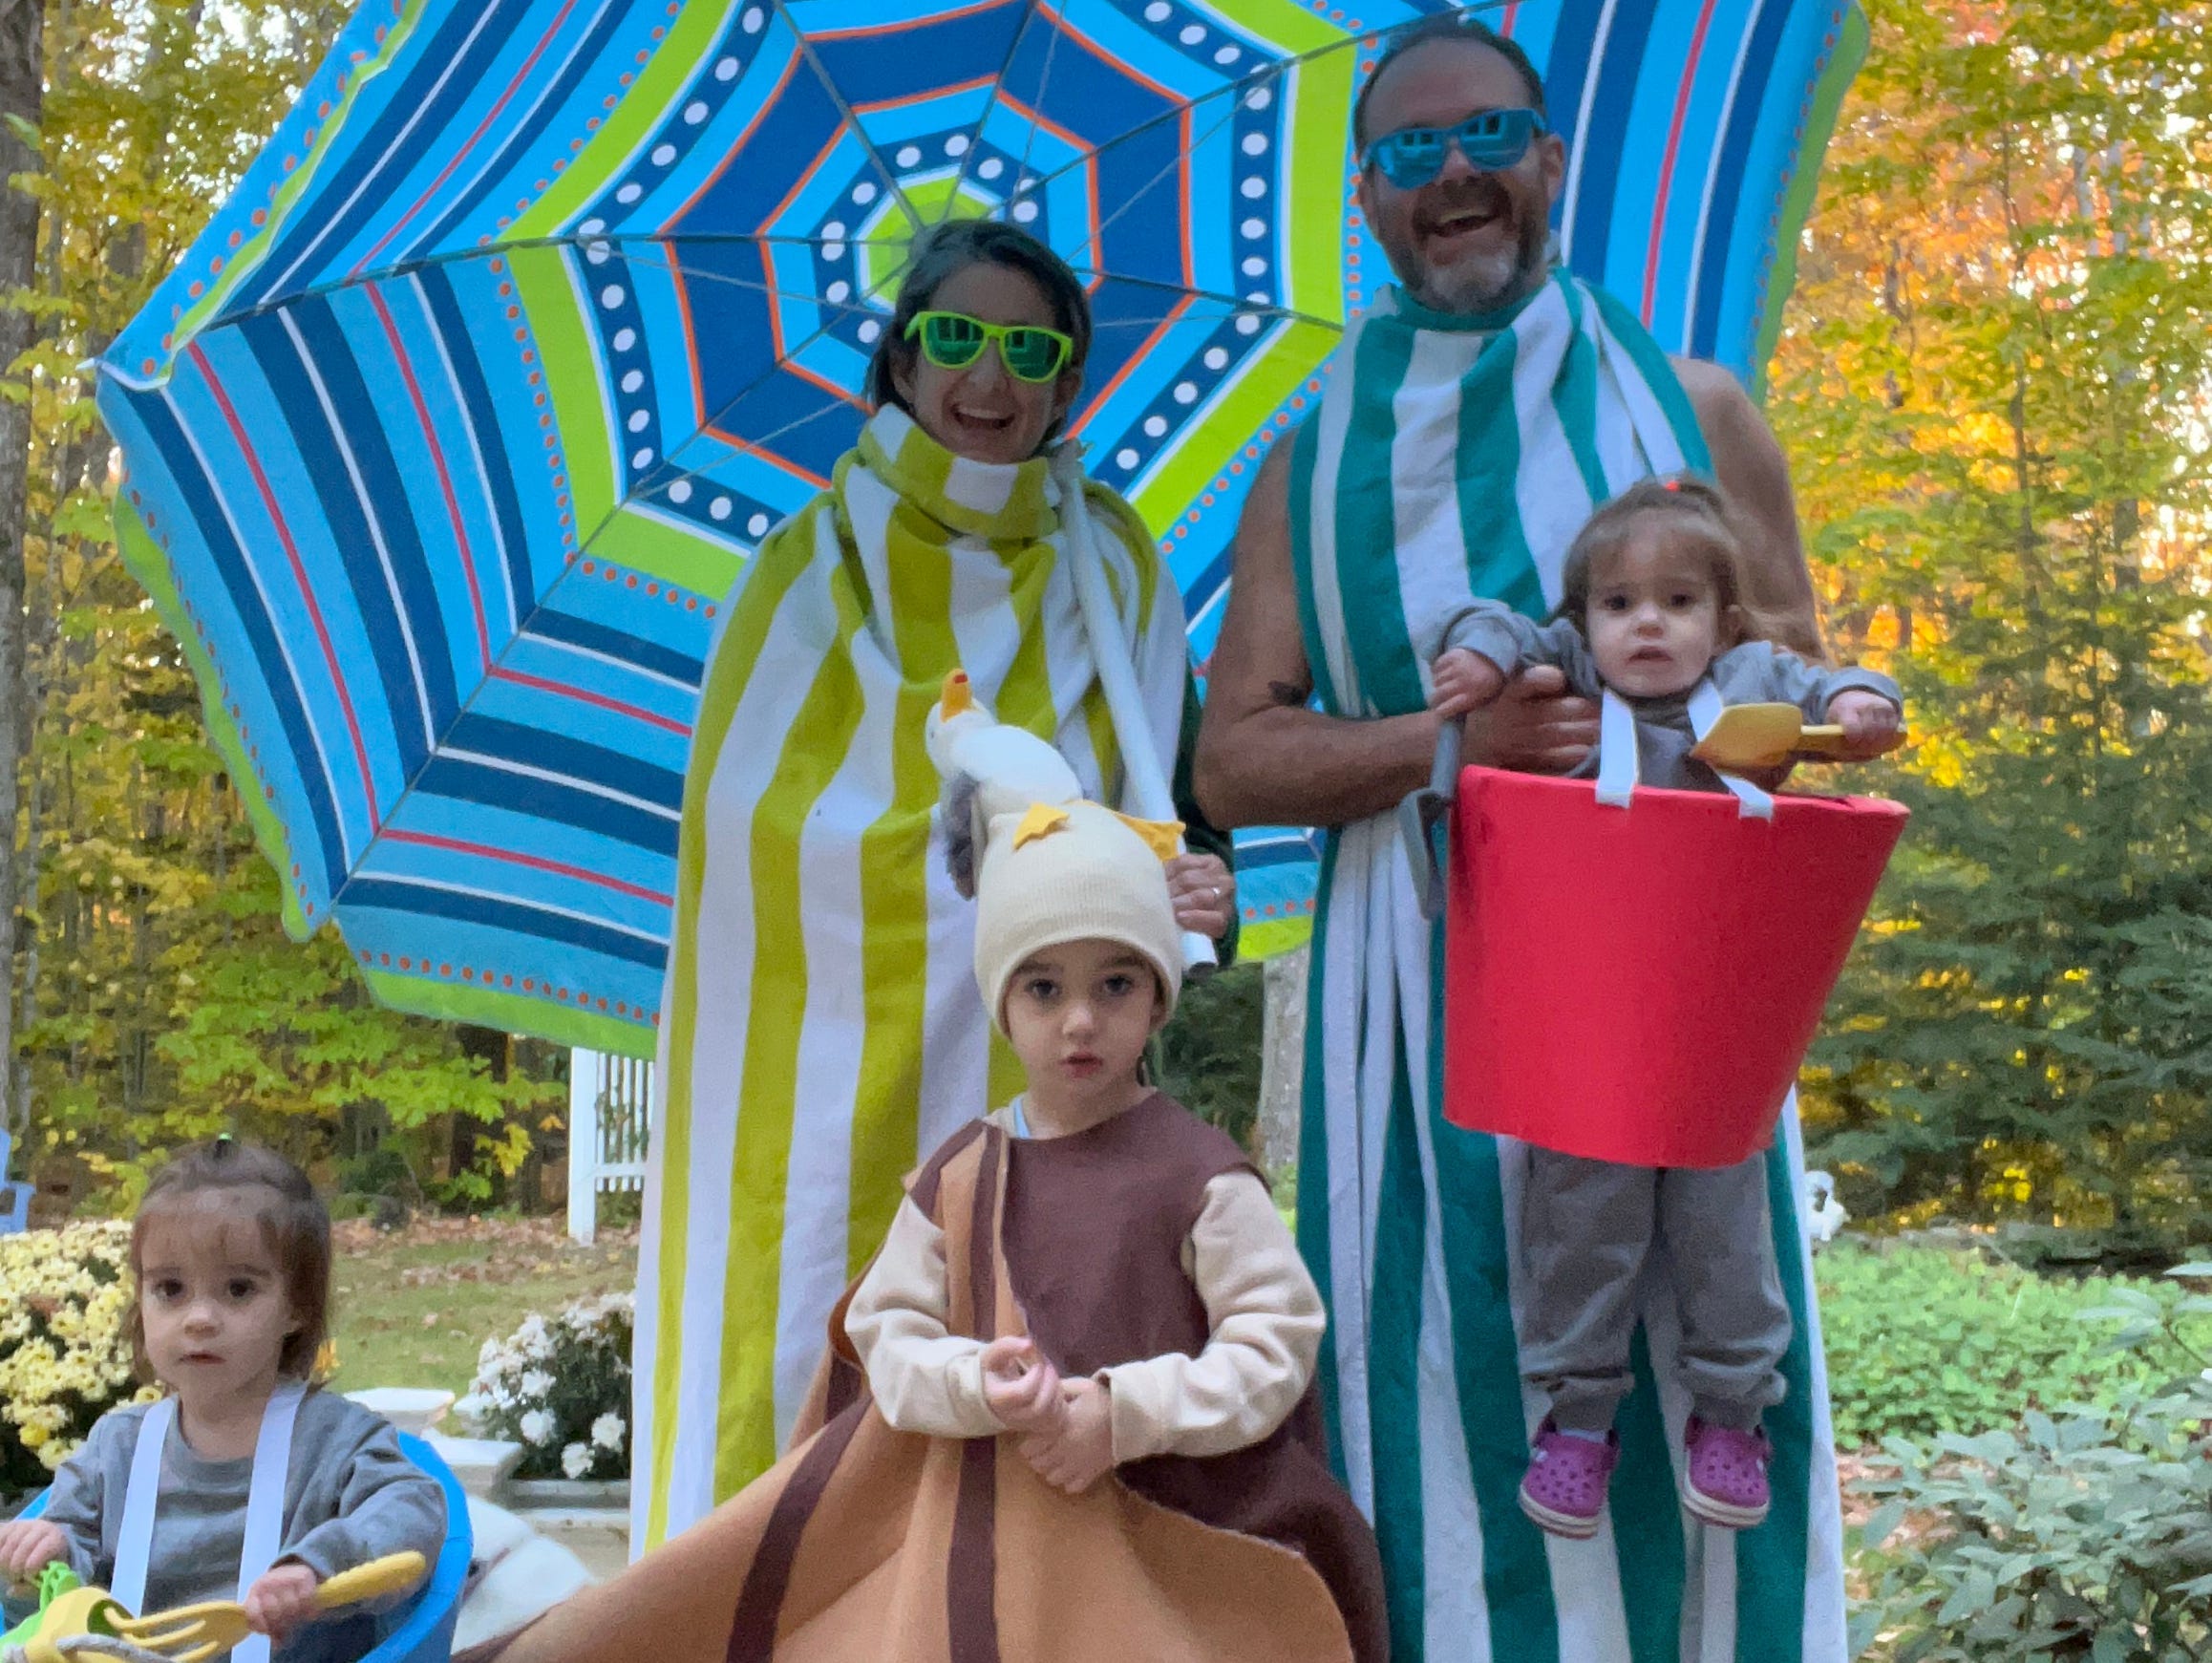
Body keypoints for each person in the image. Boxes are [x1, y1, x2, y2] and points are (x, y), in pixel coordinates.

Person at [1194, 12, 1855, 1659]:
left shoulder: (1693, 407)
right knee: (1445, 1383)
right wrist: (1445, 747)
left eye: (1487, 136)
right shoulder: (1310, 457)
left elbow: (1805, 689)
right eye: (1410, 154)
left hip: (1678, 999)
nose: (1455, 176)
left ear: (1550, 159)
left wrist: (1765, 746)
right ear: (1366, 198)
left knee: (1704, 1349)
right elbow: (1233, 757)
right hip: (1416, 1014)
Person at [474, 737, 1385, 1663]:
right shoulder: (964, 1171)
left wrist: (1122, 1413)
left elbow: (1274, 1344)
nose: (1079, 1017)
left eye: (1115, 981)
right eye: (1044, 985)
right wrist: (971, 1380)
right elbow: (889, 1332)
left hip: (1161, 1538)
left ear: (1157, 998)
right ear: (1003, 1007)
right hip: (982, 1533)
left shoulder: (1199, 1174)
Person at [635, 218, 1238, 1550]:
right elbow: (745, 836)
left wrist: (1187, 892)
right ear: (900, 362)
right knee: (796, 1326)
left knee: (1005, 1342)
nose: (990, 376)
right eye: (954, 337)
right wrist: (937, 866)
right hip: (798, 1049)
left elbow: (1166, 817)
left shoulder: (1118, 562)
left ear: (1069, 385)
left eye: (1031, 350)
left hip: (1032, 1042)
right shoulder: (803, 562)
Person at [1427, 477, 1901, 1538]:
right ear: (1586, 621)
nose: (1649, 622)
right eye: (1620, 603)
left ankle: (1734, 1411)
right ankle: (1578, 1418)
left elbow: (1835, 684)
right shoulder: (1569, 673)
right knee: (1581, 1214)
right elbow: (1493, 618)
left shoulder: (1746, 683)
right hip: (1588, 1016)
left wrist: (1863, 707)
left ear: (1722, 621)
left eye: (1679, 602)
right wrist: (1486, 657)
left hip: (1711, 1022)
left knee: (1726, 1223)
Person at [0, 1141, 445, 1663]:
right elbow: (65, 1572)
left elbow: (413, 1513)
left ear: (297, 1307)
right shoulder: (116, 1448)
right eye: (170, 1289)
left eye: (238, 1289)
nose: (200, 1318)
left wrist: (317, 1568)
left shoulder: (337, 1442)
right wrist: (44, 1553)